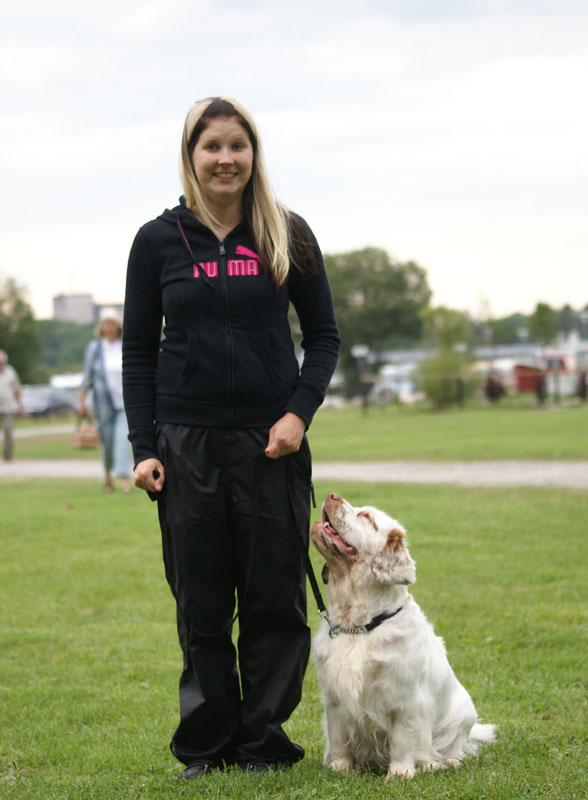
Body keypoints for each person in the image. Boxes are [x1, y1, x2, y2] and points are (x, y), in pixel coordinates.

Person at [122, 97, 340, 780]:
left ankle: (263, 743)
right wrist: (143, 447)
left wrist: (297, 414)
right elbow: (138, 354)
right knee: (203, 602)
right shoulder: (157, 241)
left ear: (254, 154)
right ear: (191, 156)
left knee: (275, 597)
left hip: (269, 444)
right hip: (185, 444)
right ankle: (207, 744)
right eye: (211, 146)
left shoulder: (286, 232)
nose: (225, 159)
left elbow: (324, 338)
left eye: (237, 146)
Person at [79, 308, 133, 493]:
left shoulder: (124, 344)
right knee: (108, 442)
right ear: (101, 328)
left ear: (118, 327)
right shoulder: (95, 348)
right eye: (105, 325)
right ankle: (107, 477)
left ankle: (124, 479)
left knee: (124, 440)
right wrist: (82, 402)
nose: (109, 328)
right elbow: (87, 376)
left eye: (112, 324)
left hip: (125, 402)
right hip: (103, 404)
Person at [0, 350, 24, 461]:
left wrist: (20, 405)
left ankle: (7, 455)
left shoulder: (10, 372)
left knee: (8, 431)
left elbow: (16, 389)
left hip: (8, 407)